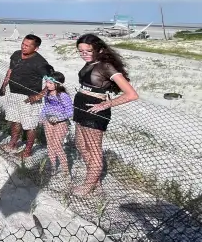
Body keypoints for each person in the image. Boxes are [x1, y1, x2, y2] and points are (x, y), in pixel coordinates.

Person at [73, 34, 138, 196]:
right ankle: (95, 181)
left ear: (100, 50)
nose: (84, 54)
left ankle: (88, 186)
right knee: (80, 145)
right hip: (81, 109)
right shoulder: (91, 63)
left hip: (95, 113)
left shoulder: (106, 66)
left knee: (94, 151)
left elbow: (131, 94)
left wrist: (106, 104)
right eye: (81, 51)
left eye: (88, 51)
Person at [0, 34, 54, 157]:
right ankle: (12, 144)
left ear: (36, 48)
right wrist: (3, 86)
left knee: (30, 125)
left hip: (30, 98)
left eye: (28, 46)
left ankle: (28, 151)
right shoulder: (16, 54)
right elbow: (10, 70)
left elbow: (53, 81)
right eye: (23, 44)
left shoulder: (40, 63)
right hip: (14, 93)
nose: (23, 47)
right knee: (15, 120)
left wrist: (39, 96)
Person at [39, 72, 74, 179]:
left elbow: (70, 112)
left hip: (61, 122)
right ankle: (52, 166)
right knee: (50, 144)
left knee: (57, 145)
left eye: (50, 83)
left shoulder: (63, 96)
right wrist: (42, 116)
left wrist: (59, 118)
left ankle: (65, 170)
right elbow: (46, 106)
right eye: (46, 82)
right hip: (48, 120)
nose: (47, 85)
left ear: (58, 84)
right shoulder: (47, 94)